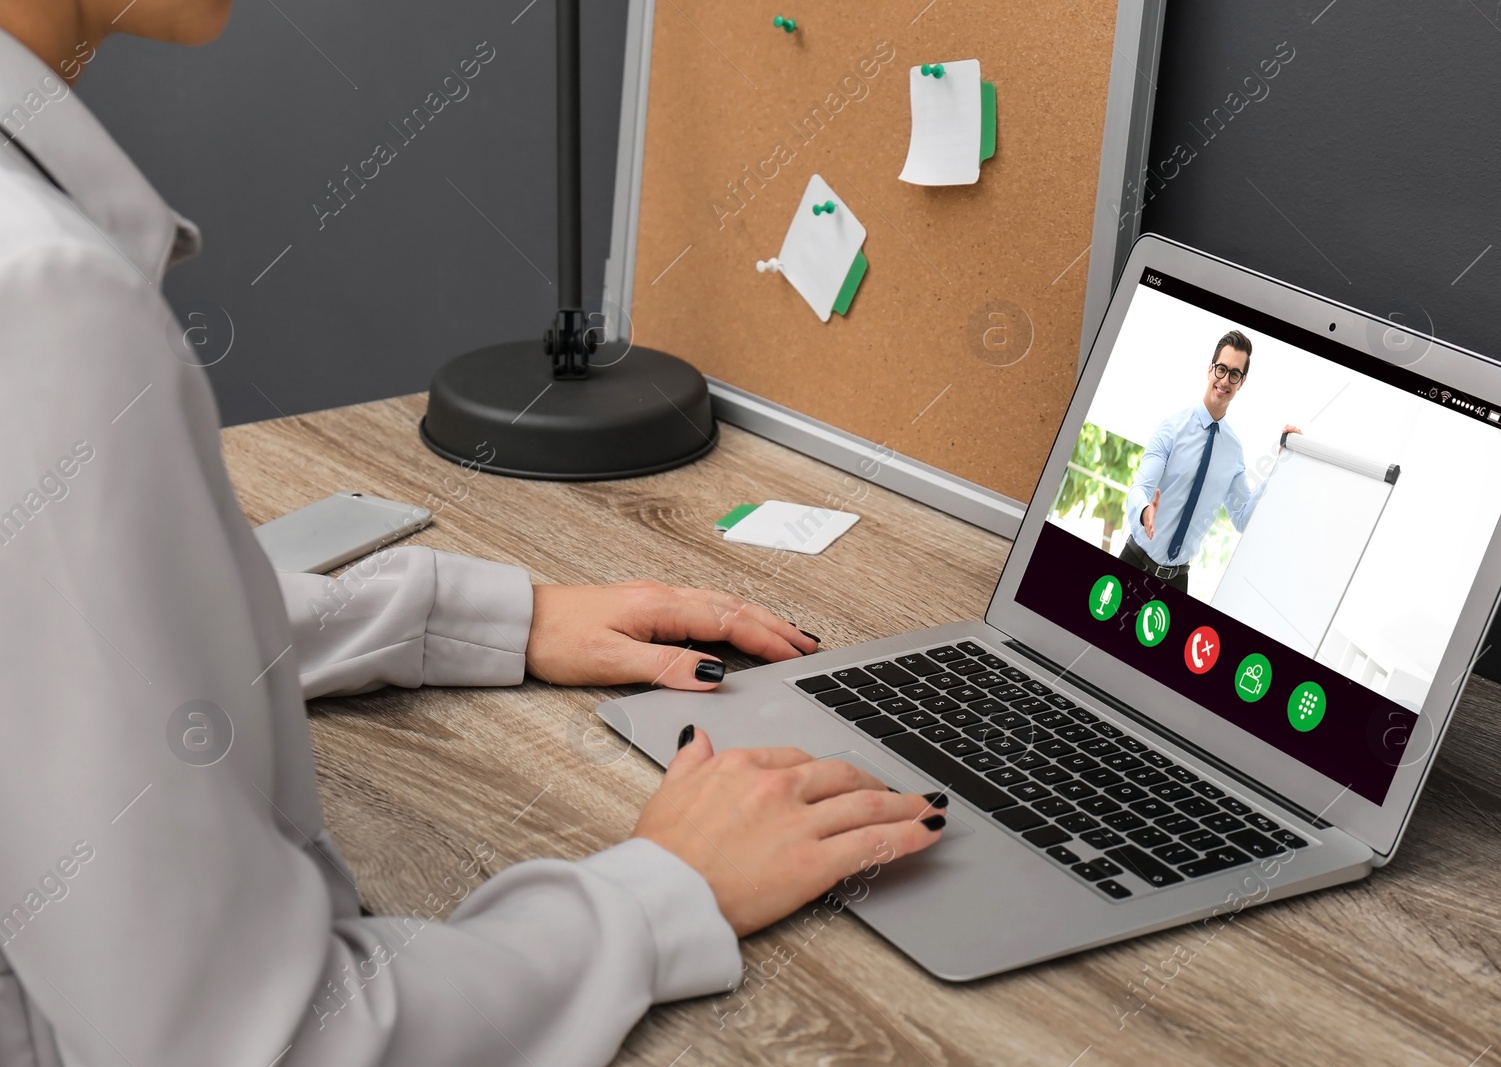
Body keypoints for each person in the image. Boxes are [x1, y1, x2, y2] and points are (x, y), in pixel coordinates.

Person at [0, 4, 943, 1065]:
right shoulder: (44, 301)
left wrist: (476, 614)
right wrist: (653, 896)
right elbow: (244, 1043)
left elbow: (61, 646)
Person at [1120, 329, 1300, 594]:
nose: (1225, 380)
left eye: (1234, 374)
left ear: (1242, 382)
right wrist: (1145, 509)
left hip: (1177, 581)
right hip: (1134, 562)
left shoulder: (1234, 450)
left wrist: (1279, 464)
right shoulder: (1171, 429)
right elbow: (1140, 488)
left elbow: (1241, 518)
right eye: (1221, 369)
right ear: (1210, 369)